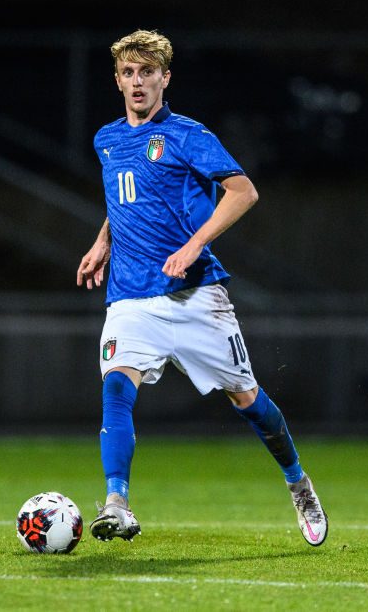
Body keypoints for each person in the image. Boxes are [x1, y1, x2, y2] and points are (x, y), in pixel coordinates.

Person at [76, 29, 328, 546]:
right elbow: (127, 196)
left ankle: (297, 480)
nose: (137, 82)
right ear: (118, 80)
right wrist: (103, 240)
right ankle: (117, 502)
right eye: (128, 73)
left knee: (247, 398)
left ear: (166, 78)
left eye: (148, 72)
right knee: (117, 387)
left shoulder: (188, 134)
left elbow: (243, 192)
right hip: (131, 296)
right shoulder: (106, 139)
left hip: (195, 297)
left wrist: (194, 245)